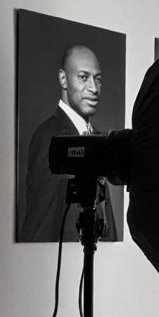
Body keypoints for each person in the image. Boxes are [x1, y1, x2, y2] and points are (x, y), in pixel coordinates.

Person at [19, 44, 117, 242]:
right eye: (83, 77)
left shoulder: (97, 137)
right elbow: (39, 226)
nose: (94, 88)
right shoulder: (49, 138)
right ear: (63, 79)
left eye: (98, 79)